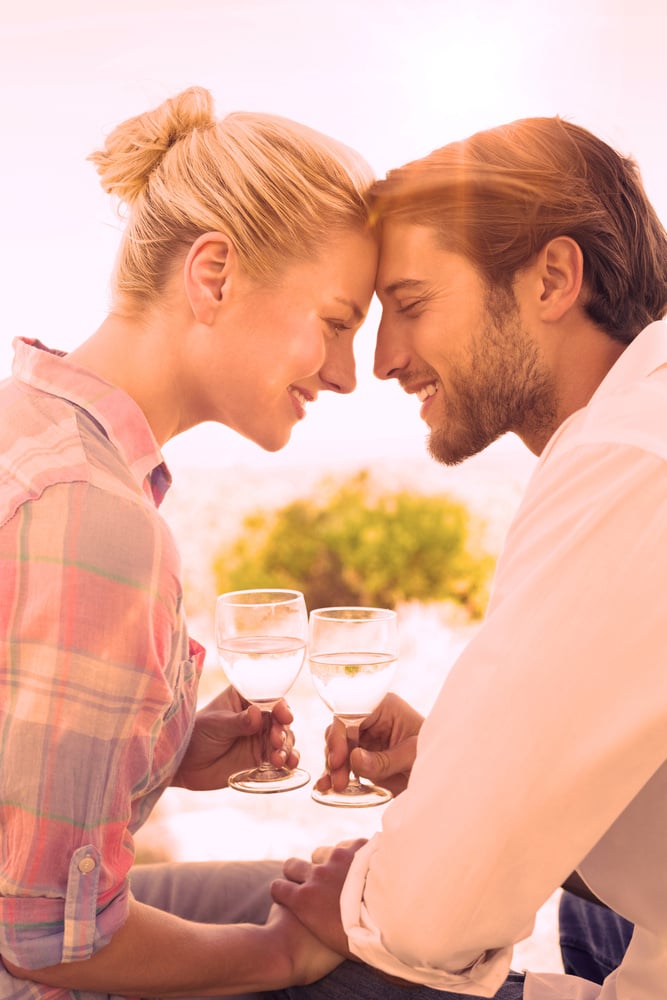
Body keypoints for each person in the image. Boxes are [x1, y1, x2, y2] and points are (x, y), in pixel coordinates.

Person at [269, 116, 667, 999]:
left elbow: (428, 918)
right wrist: (451, 756)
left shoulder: (633, 460)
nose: (381, 360)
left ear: (552, 280)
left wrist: (367, 903)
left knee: (321, 960)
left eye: (410, 305)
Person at [0, 86, 377, 998]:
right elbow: (46, 940)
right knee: (365, 950)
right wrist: (280, 956)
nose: (347, 375)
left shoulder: (34, 433)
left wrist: (162, 752)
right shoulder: (94, 518)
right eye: (334, 323)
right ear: (214, 275)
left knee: (355, 908)